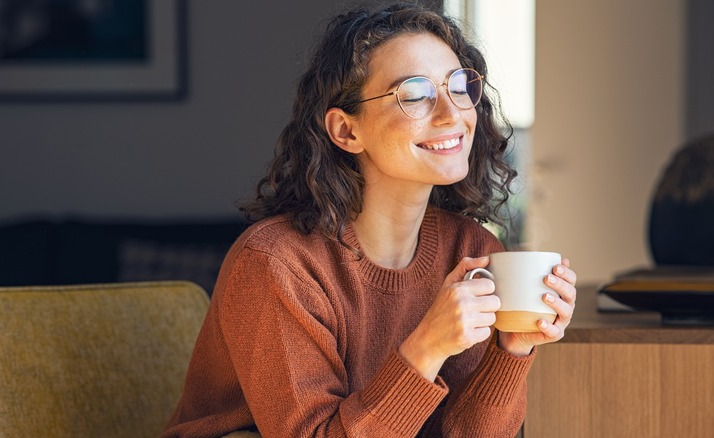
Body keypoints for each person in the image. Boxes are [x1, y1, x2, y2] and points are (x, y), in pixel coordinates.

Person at [162, 3, 577, 437]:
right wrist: (426, 347)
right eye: (415, 94)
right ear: (346, 131)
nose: (451, 114)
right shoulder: (276, 264)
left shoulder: (472, 252)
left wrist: (513, 349)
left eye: (458, 86)